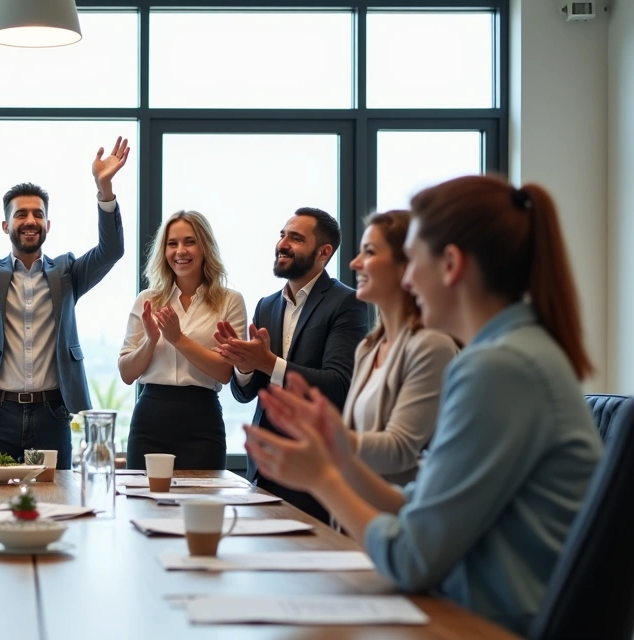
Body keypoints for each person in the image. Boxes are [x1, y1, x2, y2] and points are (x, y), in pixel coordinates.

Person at [243, 175, 603, 636]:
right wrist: (335, 450)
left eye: (413, 260)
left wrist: (323, 477)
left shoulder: (500, 367)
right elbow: (418, 504)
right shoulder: (513, 352)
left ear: (451, 265)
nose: (409, 279)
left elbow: (412, 559)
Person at [0, 134, 127, 468]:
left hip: (52, 413)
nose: (30, 221)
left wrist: (105, 190)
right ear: (5, 224)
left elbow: (110, 251)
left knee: (54, 500)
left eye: (37, 215)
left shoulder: (67, 272)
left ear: (48, 224)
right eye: (20, 214)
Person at [218, 207, 369, 522]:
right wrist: (245, 367)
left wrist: (268, 362)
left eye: (296, 238)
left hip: (314, 468)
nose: (282, 244)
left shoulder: (346, 303)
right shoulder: (266, 305)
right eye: (282, 235)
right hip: (263, 467)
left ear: (323, 253)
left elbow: (339, 385)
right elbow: (247, 394)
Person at [118, 210, 247, 470]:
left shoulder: (230, 301)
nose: (180, 251)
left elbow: (224, 372)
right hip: (150, 419)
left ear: (205, 246)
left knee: (202, 505)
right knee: (145, 505)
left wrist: (177, 338)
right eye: (172, 244)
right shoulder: (147, 299)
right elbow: (126, 373)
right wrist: (151, 340)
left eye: (190, 241)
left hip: (202, 420)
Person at [339, 210, 458, 484]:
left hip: (401, 518)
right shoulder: (368, 348)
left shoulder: (432, 346)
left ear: (407, 267)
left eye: (369, 252)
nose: (355, 263)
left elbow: (401, 449)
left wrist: (330, 440)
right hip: (355, 518)